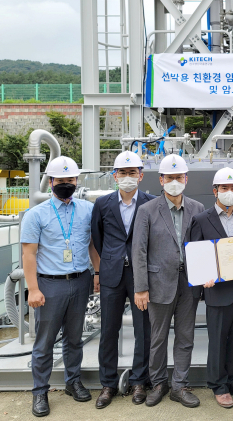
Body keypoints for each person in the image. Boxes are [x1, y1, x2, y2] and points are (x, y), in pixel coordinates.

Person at [20, 156, 100, 417]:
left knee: (74, 338)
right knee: (44, 341)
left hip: (80, 281)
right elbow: (29, 255)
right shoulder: (36, 215)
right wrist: (33, 289)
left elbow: (91, 245)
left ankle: (72, 381)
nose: (66, 184)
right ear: (51, 182)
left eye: (70, 180)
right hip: (49, 284)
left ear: (77, 181)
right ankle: (40, 391)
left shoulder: (87, 210)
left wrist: (97, 272)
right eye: (60, 180)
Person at [131, 154, 205, 408]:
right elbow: (138, 251)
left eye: (179, 177)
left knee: (185, 337)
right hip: (157, 283)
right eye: (169, 177)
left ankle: (179, 386)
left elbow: (202, 247)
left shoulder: (197, 208)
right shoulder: (146, 211)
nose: (175, 181)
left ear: (186, 178)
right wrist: (140, 287)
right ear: (161, 180)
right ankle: (159, 383)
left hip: (188, 284)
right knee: (158, 337)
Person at [189, 167, 233, 409]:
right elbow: (195, 255)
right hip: (217, 292)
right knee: (218, 339)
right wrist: (203, 276)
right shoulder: (200, 220)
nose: (229, 192)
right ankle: (218, 385)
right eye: (224, 188)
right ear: (214, 191)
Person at [91, 151, 155, 408]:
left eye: (132, 173)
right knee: (108, 330)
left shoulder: (151, 203)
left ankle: (140, 380)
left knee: (143, 330)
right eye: (123, 173)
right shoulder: (103, 204)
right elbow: (98, 239)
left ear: (140, 175)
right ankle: (107, 384)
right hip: (111, 275)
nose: (127, 177)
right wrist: (101, 269)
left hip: (140, 276)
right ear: (114, 175)